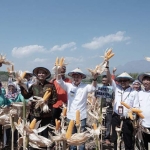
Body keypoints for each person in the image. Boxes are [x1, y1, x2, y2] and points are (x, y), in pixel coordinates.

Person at [56, 67, 98, 150]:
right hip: (70, 116)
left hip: (82, 116)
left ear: (81, 78)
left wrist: (95, 78)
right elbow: (59, 81)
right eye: (74, 77)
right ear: (72, 77)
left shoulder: (85, 86)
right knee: (72, 137)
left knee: (81, 137)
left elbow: (93, 88)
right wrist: (58, 71)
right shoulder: (68, 86)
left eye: (78, 77)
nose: (76, 79)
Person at [106, 64, 139, 150]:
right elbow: (109, 79)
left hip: (127, 119)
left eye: (125, 80)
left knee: (128, 140)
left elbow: (135, 107)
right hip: (116, 117)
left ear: (129, 81)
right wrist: (107, 67)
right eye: (121, 80)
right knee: (115, 139)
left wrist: (131, 115)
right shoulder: (116, 88)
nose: (123, 82)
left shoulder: (134, 92)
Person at [20, 67, 57, 140]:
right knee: (33, 132)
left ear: (46, 75)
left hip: (46, 113)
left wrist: (47, 102)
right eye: (39, 73)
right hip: (34, 113)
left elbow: (55, 99)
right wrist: (21, 86)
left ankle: (44, 146)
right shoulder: (34, 86)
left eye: (43, 73)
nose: (41, 74)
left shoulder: (51, 86)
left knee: (44, 133)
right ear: (37, 74)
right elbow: (26, 96)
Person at [98, 75, 114, 145]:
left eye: (105, 80)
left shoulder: (111, 89)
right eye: (103, 80)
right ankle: (100, 137)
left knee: (108, 123)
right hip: (100, 108)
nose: (104, 82)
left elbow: (113, 99)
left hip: (109, 108)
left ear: (108, 81)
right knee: (100, 123)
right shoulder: (99, 88)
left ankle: (106, 138)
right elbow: (95, 97)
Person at [137, 73, 150, 150]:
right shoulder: (139, 93)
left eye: (148, 80)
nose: (145, 82)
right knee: (144, 145)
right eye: (144, 80)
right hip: (143, 125)